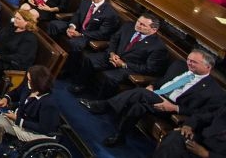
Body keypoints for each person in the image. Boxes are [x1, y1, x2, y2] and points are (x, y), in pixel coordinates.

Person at [80, 49, 226, 147]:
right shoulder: (180, 66)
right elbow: (163, 79)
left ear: (208, 67)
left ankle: (104, 105)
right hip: (155, 95)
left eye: (194, 62)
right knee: (139, 105)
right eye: (189, 60)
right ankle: (120, 136)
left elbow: (200, 113)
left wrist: (175, 107)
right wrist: (152, 86)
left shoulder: (214, 91)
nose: (189, 63)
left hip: (170, 108)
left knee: (141, 93)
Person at [72, 13, 169, 99]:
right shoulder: (128, 26)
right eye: (138, 22)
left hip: (129, 68)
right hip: (113, 56)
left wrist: (124, 64)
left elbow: (150, 69)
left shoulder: (158, 47)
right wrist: (112, 53)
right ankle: (80, 85)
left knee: (110, 77)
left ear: (154, 30)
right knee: (89, 59)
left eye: (143, 25)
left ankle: (98, 101)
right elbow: (114, 39)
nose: (138, 25)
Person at [0, 65, 59, 158]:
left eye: (29, 80)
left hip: (36, 134)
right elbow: (17, 92)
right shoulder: (30, 87)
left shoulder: (48, 103)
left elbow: (44, 128)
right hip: (20, 119)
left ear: (37, 83)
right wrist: (6, 99)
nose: (27, 82)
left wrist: (18, 120)